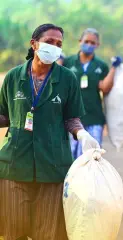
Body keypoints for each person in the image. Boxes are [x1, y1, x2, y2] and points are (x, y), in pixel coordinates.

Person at [0, 23, 101, 240]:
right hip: (15, 164)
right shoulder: (13, 77)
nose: (54, 47)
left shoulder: (67, 79)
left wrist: (82, 134)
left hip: (53, 165)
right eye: (49, 42)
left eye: (59, 44)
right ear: (34, 44)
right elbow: (5, 116)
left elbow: (72, 118)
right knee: (12, 229)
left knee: (48, 232)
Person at [63, 28, 122, 159]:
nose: (89, 45)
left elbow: (105, 88)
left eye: (92, 43)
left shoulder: (101, 65)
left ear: (97, 45)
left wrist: (114, 68)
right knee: (71, 156)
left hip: (94, 117)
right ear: (80, 41)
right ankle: (71, 180)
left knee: (93, 156)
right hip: (72, 117)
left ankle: (89, 180)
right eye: (86, 41)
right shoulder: (69, 62)